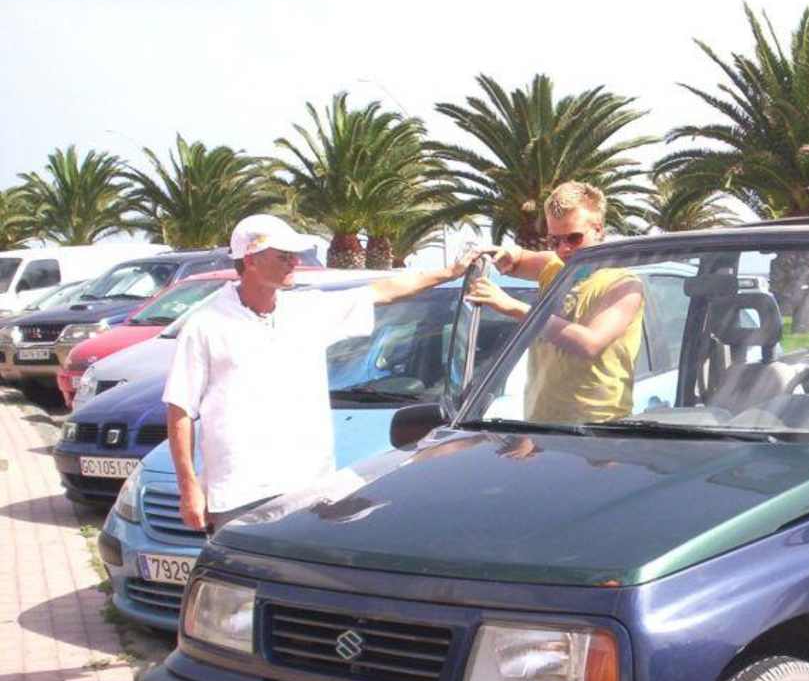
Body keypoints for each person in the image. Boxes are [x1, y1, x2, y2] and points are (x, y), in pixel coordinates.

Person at [164, 214, 485, 532]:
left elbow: (385, 290)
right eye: (283, 256)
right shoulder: (206, 325)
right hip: (239, 493)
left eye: (294, 255)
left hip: (308, 488)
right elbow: (180, 409)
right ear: (250, 260)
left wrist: (449, 273)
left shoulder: (306, 310)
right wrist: (188, 487)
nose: (294, 262)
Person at [466, 181, 644, 423]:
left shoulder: (623, 284)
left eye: (574, 238)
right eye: (554, 240)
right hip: (541, 423)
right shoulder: (555, 268)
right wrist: (508, 253)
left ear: (598, 229)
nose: (564, 249)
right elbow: (518, 258)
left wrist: (515, 309)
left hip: (599, 428)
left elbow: (590, 344)